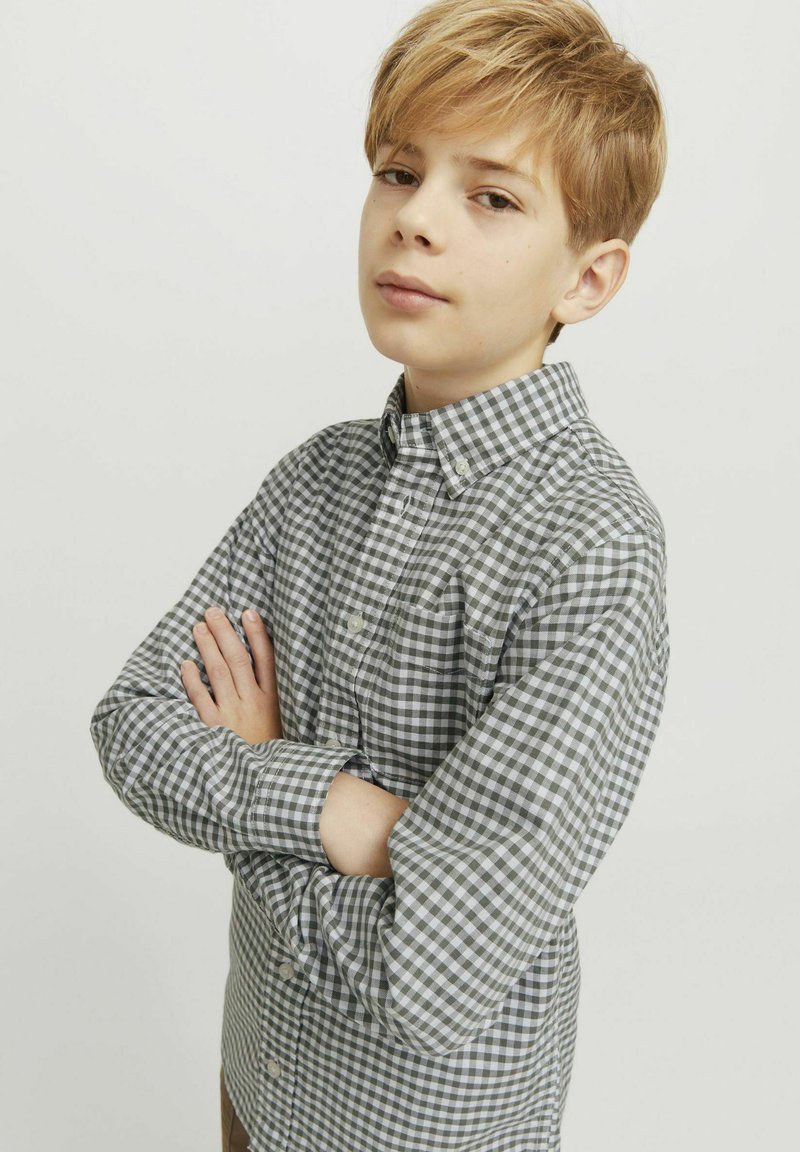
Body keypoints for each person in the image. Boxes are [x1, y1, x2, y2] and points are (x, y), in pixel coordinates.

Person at [90, 1, 671, 1148]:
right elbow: (132, 728)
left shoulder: (593, 547)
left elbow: (427, 979)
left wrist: (259, 772)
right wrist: (338, 809)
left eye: (490, 197)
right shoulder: (315, 479)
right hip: (258, 1079)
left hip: (418, 1128)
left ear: (586, 281)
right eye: (398, 173)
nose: (413, 219)